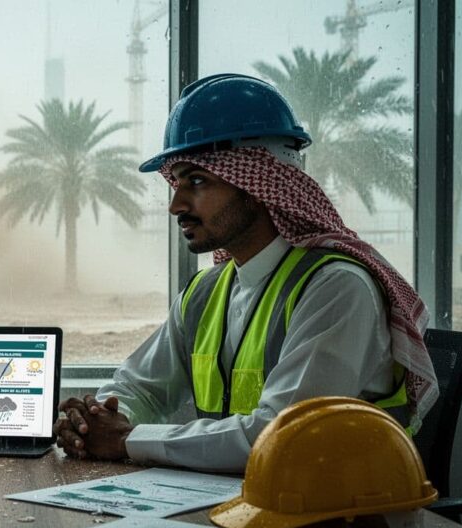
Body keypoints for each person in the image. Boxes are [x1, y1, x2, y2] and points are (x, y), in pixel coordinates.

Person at [53, 73, 439, 473]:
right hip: (238, 506)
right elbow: (140, 386)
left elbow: (282, 435)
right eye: (176, 183)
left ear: (260, 184)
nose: (176, 205)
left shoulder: (336, 287)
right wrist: (94, 420)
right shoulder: (206, 291)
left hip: (341, 520)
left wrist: (126, 439)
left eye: (197, 181)